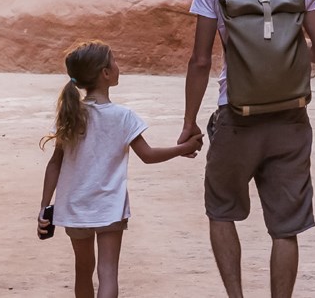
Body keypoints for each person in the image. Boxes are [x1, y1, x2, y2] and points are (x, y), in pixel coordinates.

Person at [180, 0, 315, 298]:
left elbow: (199, 60)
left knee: (221, 210)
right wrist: (283, 47)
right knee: (286, 226)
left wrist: (188, 122)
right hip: (290, 117)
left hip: (238, 116)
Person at [39, 41, 204, 298]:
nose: (118, 66)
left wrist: (44, 206)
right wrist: (181, 149)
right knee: (108, 273)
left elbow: (54, 164)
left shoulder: (71, 115)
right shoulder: (123, 116)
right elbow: (148, 156)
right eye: (114, 61)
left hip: (75, 206)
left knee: (83, 270)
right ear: (105, 73)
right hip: (109, 207)